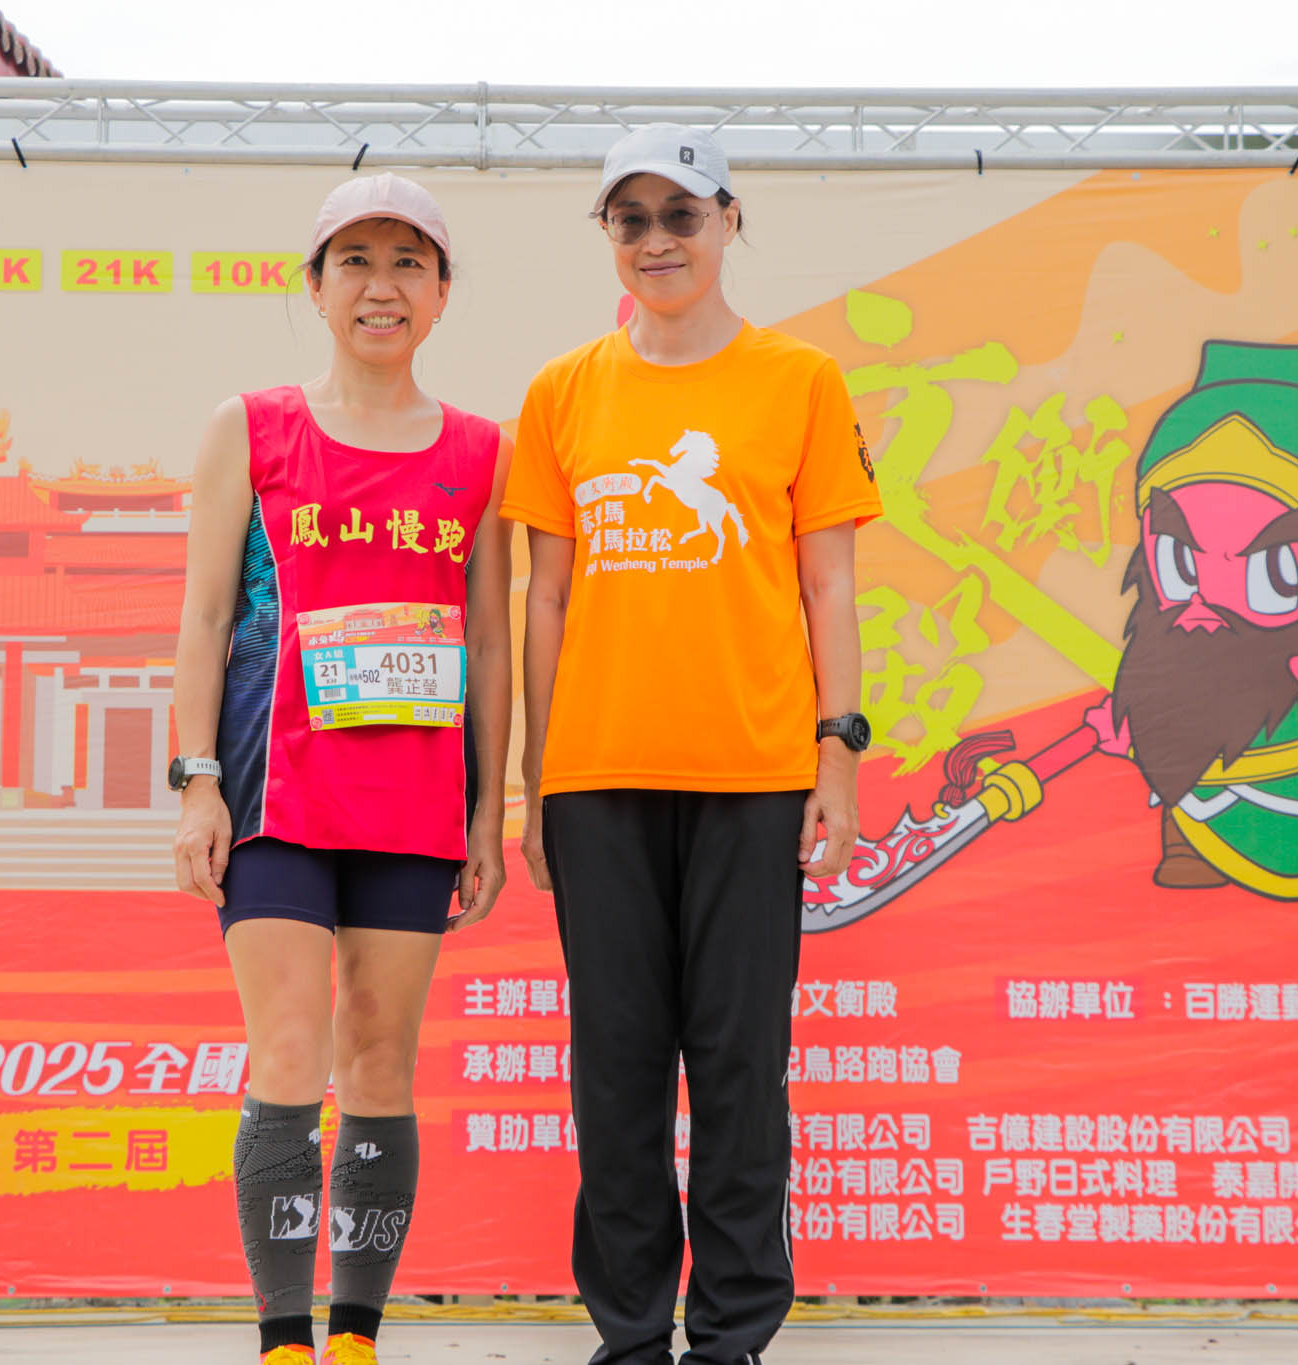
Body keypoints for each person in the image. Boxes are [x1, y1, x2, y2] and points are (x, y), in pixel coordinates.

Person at [503, 125, 883, 1364]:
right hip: (597, 778)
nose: (657, 240)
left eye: (681, 214)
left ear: (728, 221)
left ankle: (729, 1336)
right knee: (614, 1068)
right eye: (631, 219)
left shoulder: (798, 380)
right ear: (607, 237)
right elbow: (545, 600)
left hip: (754, 773)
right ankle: (628, 1336)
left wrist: (835, 755)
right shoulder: (563, 391)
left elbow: (827, 583)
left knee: (736, 1064)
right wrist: (535, 782)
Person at [168, 172, 514, 1365]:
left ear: (442, 293)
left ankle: (357, 1336)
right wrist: (196, 780)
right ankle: (283, 1340)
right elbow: (205, 615)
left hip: (413, 805)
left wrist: (487, 811)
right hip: (275, 794)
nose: (381, 286)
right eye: (354, 261)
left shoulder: (478, 452)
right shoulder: (253, 427)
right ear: (314, 289)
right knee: (287, 1049)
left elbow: (488, 644)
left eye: (408, 262)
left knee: (378, 1055)